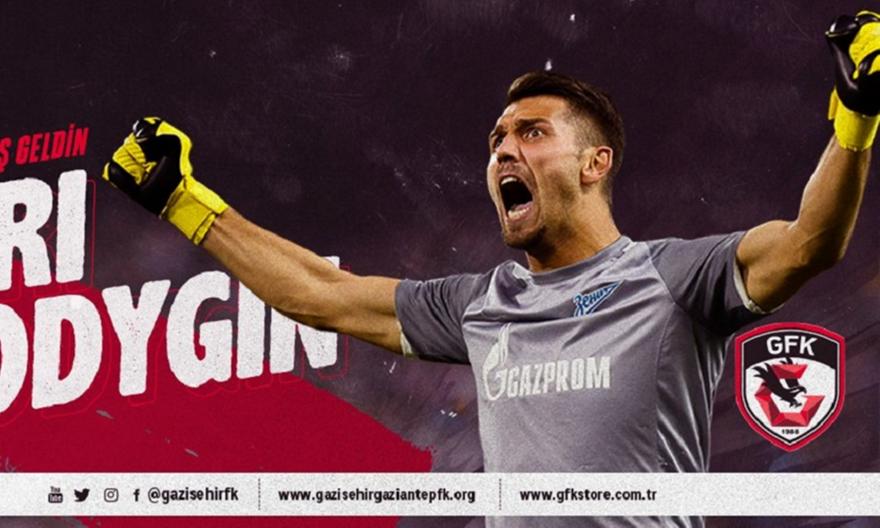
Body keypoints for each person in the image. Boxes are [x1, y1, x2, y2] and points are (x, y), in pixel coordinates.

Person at [101, 11, 880, 528]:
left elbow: (810, 242)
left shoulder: (674, 277)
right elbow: (320, 295)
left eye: (532, 133)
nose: (504, 151)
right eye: (497, 140)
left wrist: (854, 116)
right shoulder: (480, 305)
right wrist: (183, 201)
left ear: (595, 163)